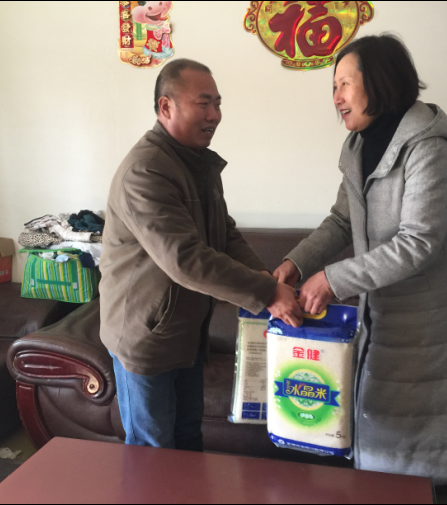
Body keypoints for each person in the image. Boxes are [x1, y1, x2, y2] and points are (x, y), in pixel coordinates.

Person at [273, 35, 447, 484]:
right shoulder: (358, 146)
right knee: (380, 457)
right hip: (380, 319)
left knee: (430, 463)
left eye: (345, 84)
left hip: (431, 330)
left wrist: (331, 280)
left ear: (379, 82)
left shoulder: (429, 144)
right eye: (334, 87)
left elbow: (418, 242)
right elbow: (341, 220)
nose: (336, 97)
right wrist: (296, 263)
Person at [99, 59, 302, 451]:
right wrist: (267, 293)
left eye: (218, 104)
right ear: (166, 107)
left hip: (185, 332)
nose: (215, 115)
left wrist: (263, 276)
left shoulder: (196, 163)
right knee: (153, 451)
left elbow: (224, 234)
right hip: (147, 337)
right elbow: (185, 259)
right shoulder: (146, 171)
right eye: (204, 103)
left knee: (188, 441)